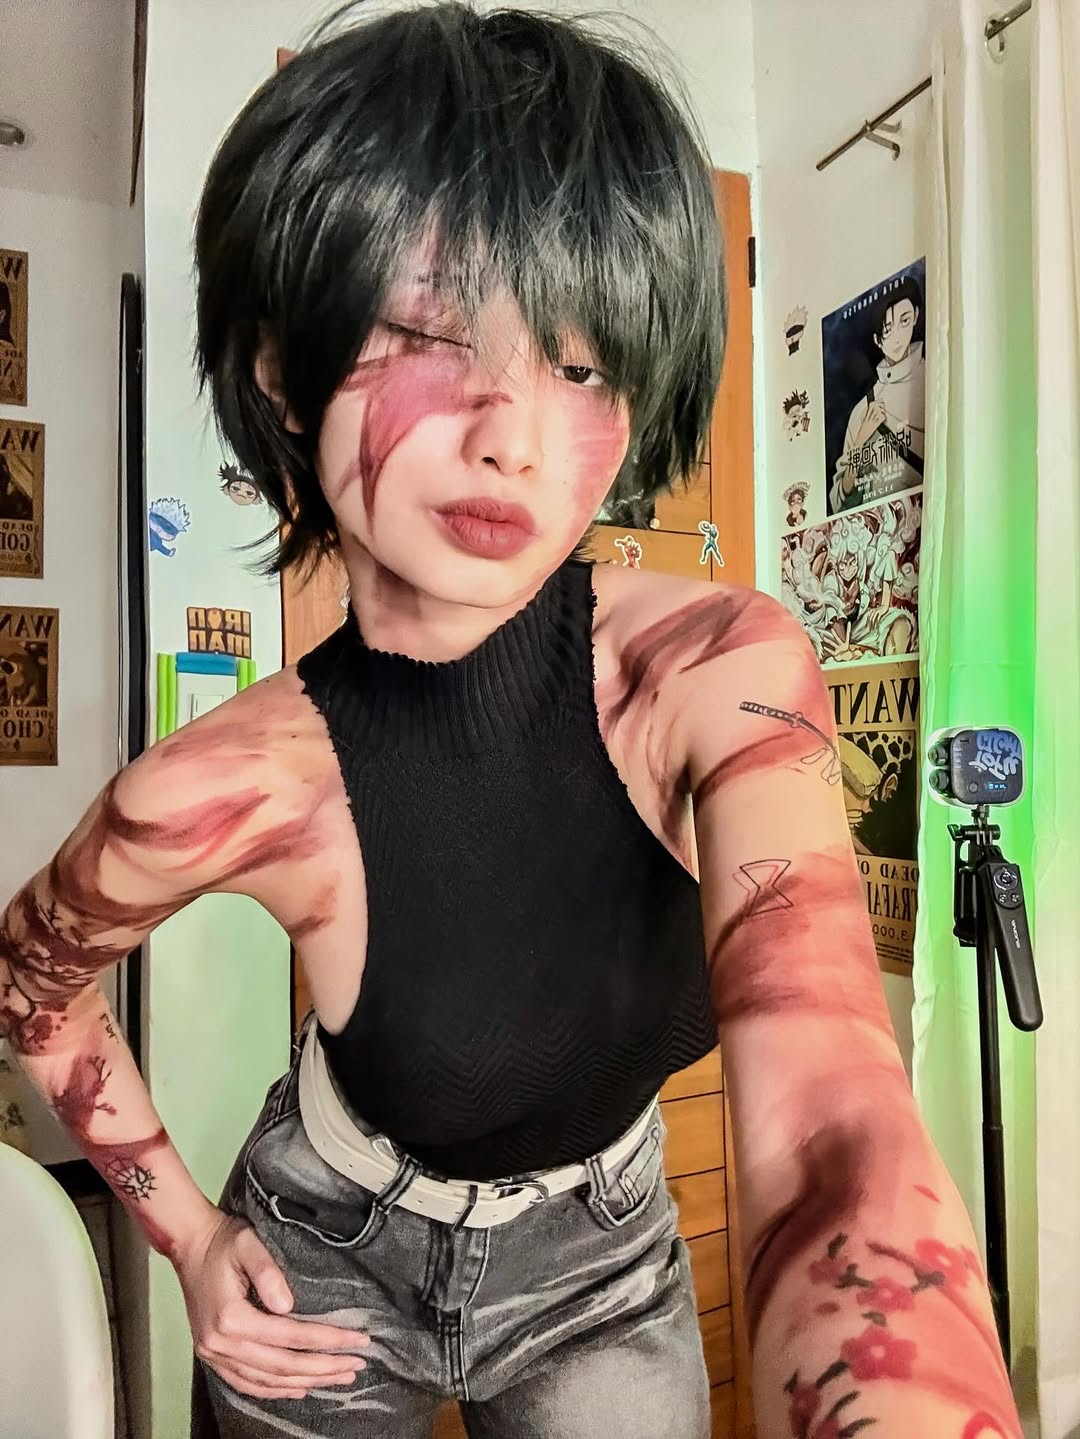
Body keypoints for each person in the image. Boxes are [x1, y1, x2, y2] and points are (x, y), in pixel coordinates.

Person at [0, 7, 1020, 1439]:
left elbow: (829, 1104)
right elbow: (31, 978)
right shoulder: (227, 781)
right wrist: (189, 1234)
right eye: (428, 331)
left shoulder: (712, 666)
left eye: (582, 367)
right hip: (324, 1257)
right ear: (284, 368)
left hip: (603, 1260)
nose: (515, 434)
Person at [829, 273, 926, 514]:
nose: (897, 337)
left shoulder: (933, 379)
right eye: (887, 329)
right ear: (877, 339)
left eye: (904, 320)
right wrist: (861, 440)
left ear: (916, 315)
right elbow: (841, 500)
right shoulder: (862, 410)